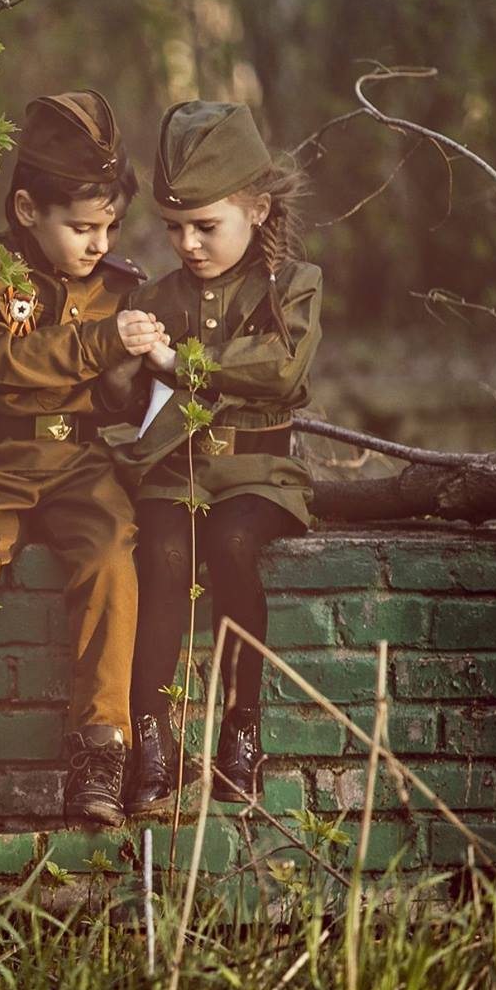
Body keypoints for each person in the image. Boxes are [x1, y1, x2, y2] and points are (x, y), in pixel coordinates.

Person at [0, 90, 166, 841]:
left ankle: (99, 759)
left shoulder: (115, 283)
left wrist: (149, 366)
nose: (97, 241)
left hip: (76, 460)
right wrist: (104, 343)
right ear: (26, 209)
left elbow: (115, 398)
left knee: (115, 550)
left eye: (108, 226)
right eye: (82, 227)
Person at [117, 101, 321, 812]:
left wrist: (180, 359)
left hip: (260, 471)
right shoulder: (155, 293)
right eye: (175, 228)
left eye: (207, 225)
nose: (189, 243)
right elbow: (123, 405)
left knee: (234, 542)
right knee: (164, 556)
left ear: (258, 208)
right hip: (176, 471)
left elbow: (282, 369)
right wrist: (124, 347)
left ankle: (241, 728)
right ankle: (152, 740)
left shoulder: (292, 287)